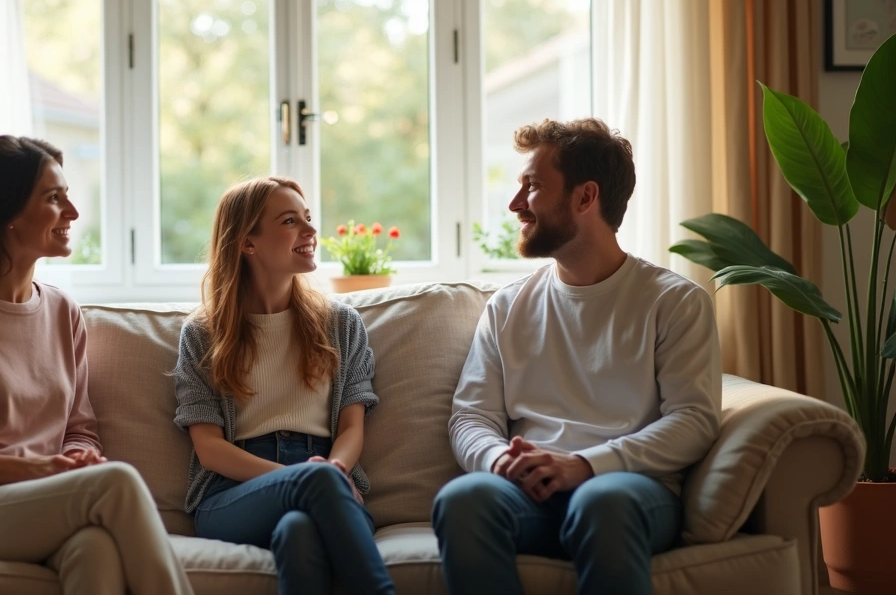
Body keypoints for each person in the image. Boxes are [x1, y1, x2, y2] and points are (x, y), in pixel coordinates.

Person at [431, 118, 721, 595]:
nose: (515, 204)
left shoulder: (674, 302)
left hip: (626, 489)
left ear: (586, 198)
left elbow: (694, 420)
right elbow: (470, 417)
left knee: (601, 504)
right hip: (527, 496)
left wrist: (585, 466)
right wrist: (498, 459)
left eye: (533, 187)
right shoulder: (507, 307)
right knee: (464, 499)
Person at [0, 135, 193, 595]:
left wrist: (75, 455)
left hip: (38, 499)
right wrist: (35, 469)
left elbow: (80, 426)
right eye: (54, 198)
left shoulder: (61, 311)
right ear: (6, 213)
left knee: (95, 549)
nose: (72, 212)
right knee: (114, 482)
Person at [173, 176, 396, 595]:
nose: (311, 231)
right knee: (314, 489)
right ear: (247, 243)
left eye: (308, 218)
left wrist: (332, 473)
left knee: (299, 531)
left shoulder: (342, 324)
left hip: (330, 474)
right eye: (291, 221)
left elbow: (351, 428)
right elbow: (210, 449)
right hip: (234, 494)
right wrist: (307, 480)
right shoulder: (203, 334)